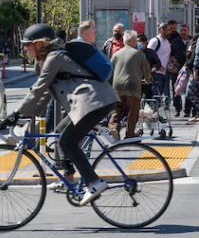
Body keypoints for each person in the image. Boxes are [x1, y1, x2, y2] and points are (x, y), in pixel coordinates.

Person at [1, 23, 118, 206]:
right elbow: (44, 96)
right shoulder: (48, 59)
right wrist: (23, 117)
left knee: (67, 141)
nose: (24, 48)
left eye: (27, 44)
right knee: (60, 132)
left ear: (38, 44)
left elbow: (38, 90)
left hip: (95, 102)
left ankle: (94, 182)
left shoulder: (54, 58)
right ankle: (69, 176)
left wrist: (15, 114)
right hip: (92, 102)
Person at [108, 30, 152, 140]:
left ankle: (114, 127)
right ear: (133, 41)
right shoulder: (139, 54)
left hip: (117, 86)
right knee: (133, 110)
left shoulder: (116, 54)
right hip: (132, 86)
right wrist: (148, 79)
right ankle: (130, 133)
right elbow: (146, 71)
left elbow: (109, 70)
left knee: (117, 109)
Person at [166, 20, 187, 114]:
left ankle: (188, 110)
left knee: (187, 89)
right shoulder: (170, 39)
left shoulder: (185, 39)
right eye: (171, 28)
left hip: (186, 67)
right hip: (175, 67)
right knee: (175, 87)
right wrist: (173, 60)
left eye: (174, 28)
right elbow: (169, 53)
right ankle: (177, 108)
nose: (172, 30)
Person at [148, 22, 171, 98]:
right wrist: (158, 66)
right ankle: (154, 109)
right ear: (161, 30)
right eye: (167, 30)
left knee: (164, 96)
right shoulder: (155, 41)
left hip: (165, 73)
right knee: (156, 95)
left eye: (169, 30)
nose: (169, 32)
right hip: (156, 73)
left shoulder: (167, 42)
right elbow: (148, 55)